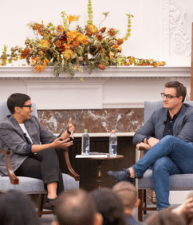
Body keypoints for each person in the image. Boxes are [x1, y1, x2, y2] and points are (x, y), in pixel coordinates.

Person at [108, 81, 193, 210]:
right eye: (163, 95)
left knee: (170, 140)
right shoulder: (158, 114)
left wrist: (152, 146)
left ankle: (133, 171)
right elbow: (137, 136)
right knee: (160, 164)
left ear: (180, 98)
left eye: (169, 96)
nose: (164, 99)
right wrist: (148, 139)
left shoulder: (190, 114)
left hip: (188, 160)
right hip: (171, 162)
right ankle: (163, 212)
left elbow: (179, 142)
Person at [0, 93, 74, 207]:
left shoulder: (32, 121)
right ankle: (62, 207)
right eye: (29, 106)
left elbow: (51, 139)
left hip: (36, 157)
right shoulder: (5, 125)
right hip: (17, 163)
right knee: (54, 169)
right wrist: (51, 145)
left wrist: (67, 132)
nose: (32, 109)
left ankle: (52, 197)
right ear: (18, 109)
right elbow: (22, 148)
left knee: (50, 156)